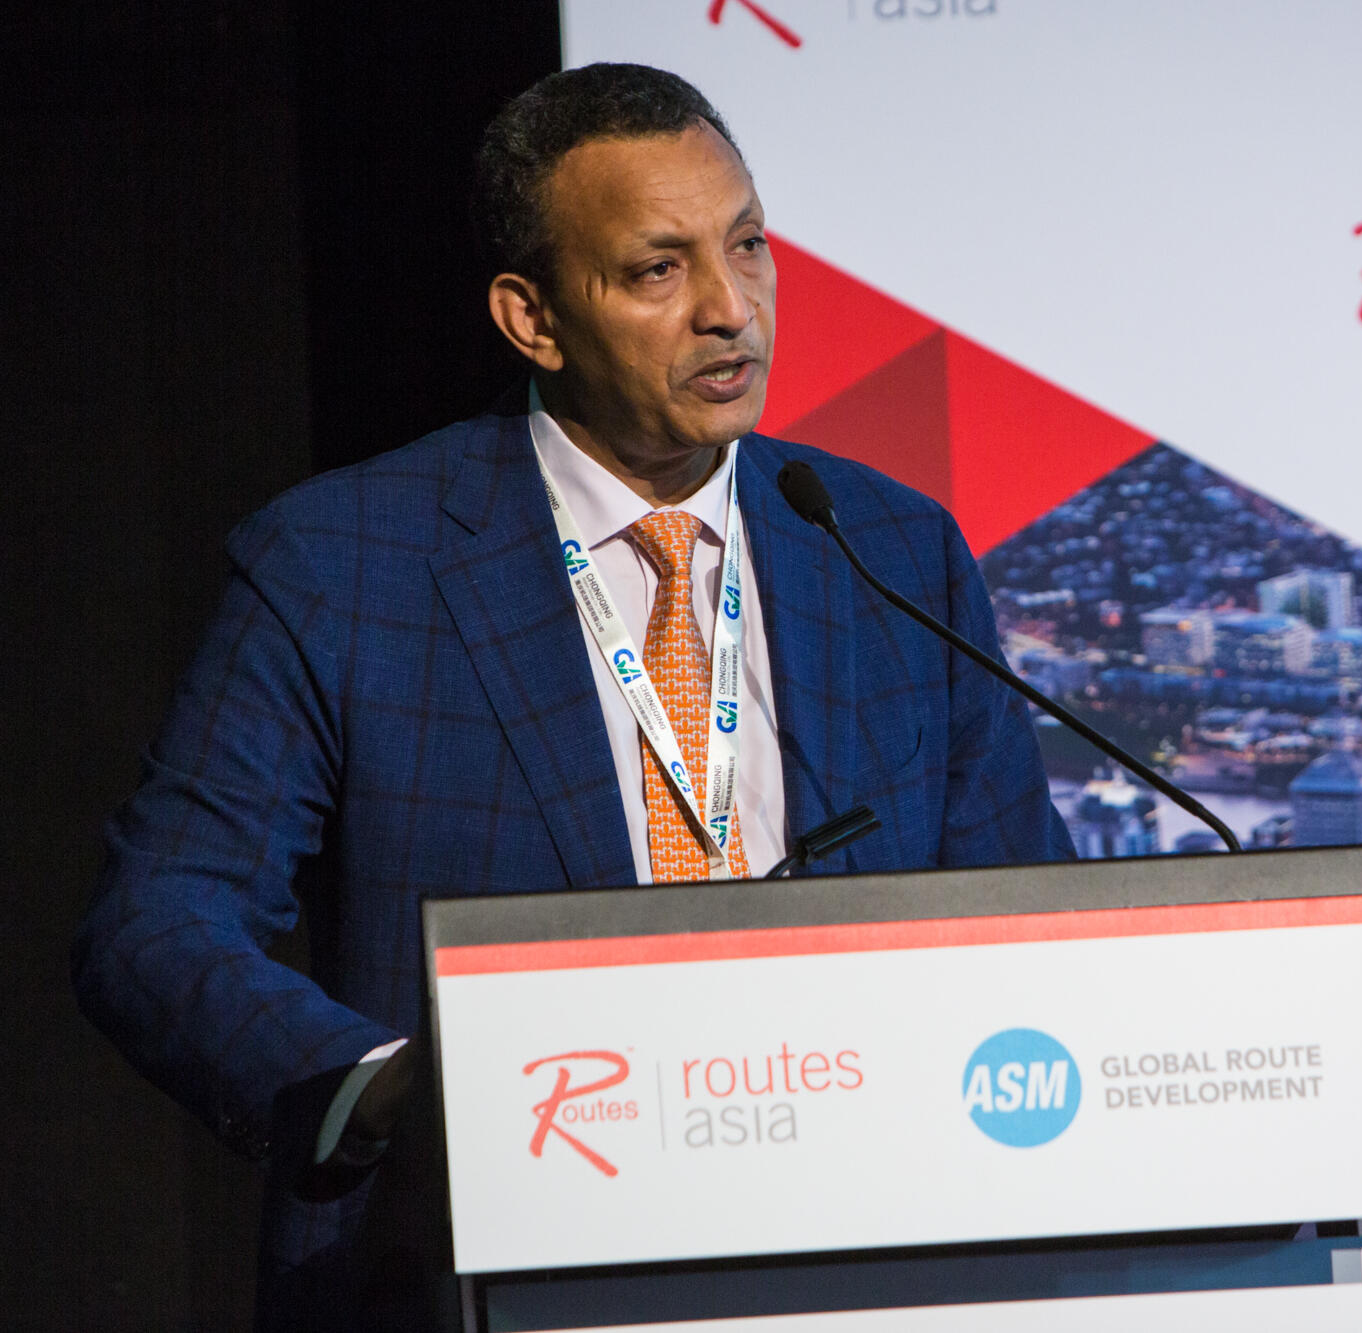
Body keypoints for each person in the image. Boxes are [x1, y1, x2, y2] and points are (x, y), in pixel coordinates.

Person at [73, 63, 1073, 1330]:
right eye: (658, 269)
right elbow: (157, 921)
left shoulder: (887, 545)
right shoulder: (344, 563)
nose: (730, 308)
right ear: (532, 319)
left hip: (864, 1250)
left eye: (747, 245)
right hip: (500, 1260)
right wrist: (389, 1092)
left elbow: (1023, 924)